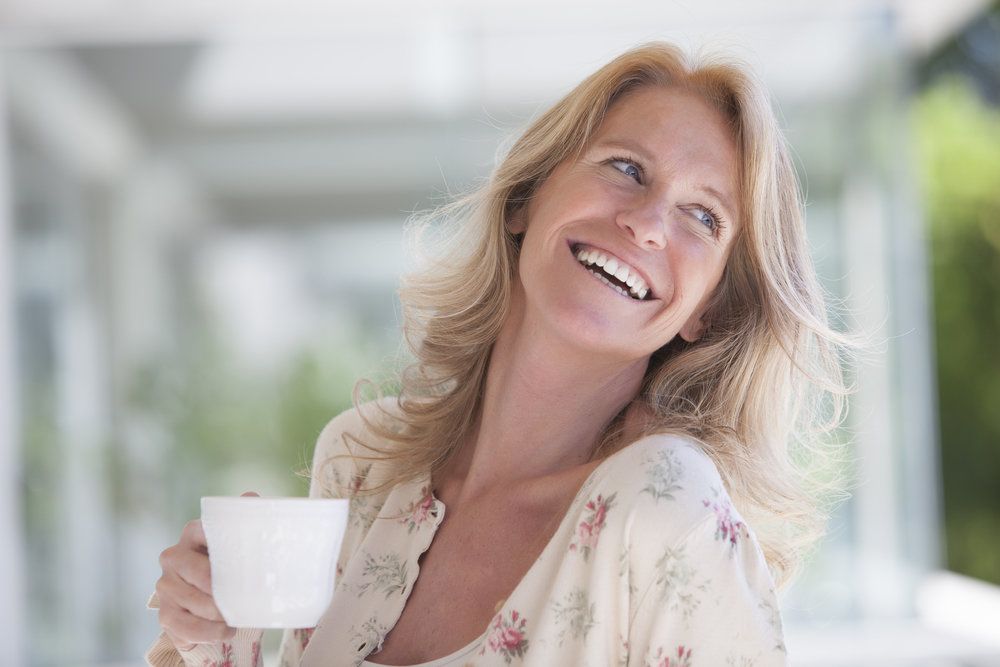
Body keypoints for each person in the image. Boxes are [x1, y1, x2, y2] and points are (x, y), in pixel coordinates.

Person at [146, 41, 849, 666]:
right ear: (525, 199)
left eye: (704, 216)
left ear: (708, 310)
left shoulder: (668, 509)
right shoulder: (361, 462)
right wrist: (215, 641)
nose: (647, 224)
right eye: (626, 168)